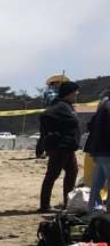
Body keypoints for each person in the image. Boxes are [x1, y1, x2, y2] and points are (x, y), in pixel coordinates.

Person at [39, 79, 82, 213]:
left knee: (72, 173)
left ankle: (67, 203)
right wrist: (53, 135)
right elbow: (45, 116)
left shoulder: (67, 106)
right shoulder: (60, 106)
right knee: (52, 175)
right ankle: (45, 205)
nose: (76, 96)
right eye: (75, 93)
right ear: (68, 94)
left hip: (68, 148)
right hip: (60, 148)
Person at [83, 88, 110, 213]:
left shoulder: (102, 105)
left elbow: (92, 126)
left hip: (98, 150)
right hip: (107, 150)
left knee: (96, 183)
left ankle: (93, 208)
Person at [36, 74, 70, 159]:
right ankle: (40, 152)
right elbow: (53, 101)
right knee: (45, 134)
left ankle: (50, 151)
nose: (61, 84)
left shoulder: (61, 92)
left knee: (56, 134)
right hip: (49, 115)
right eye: (60, 82)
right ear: (54, 83)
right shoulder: (50, 91)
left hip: (58, 115)